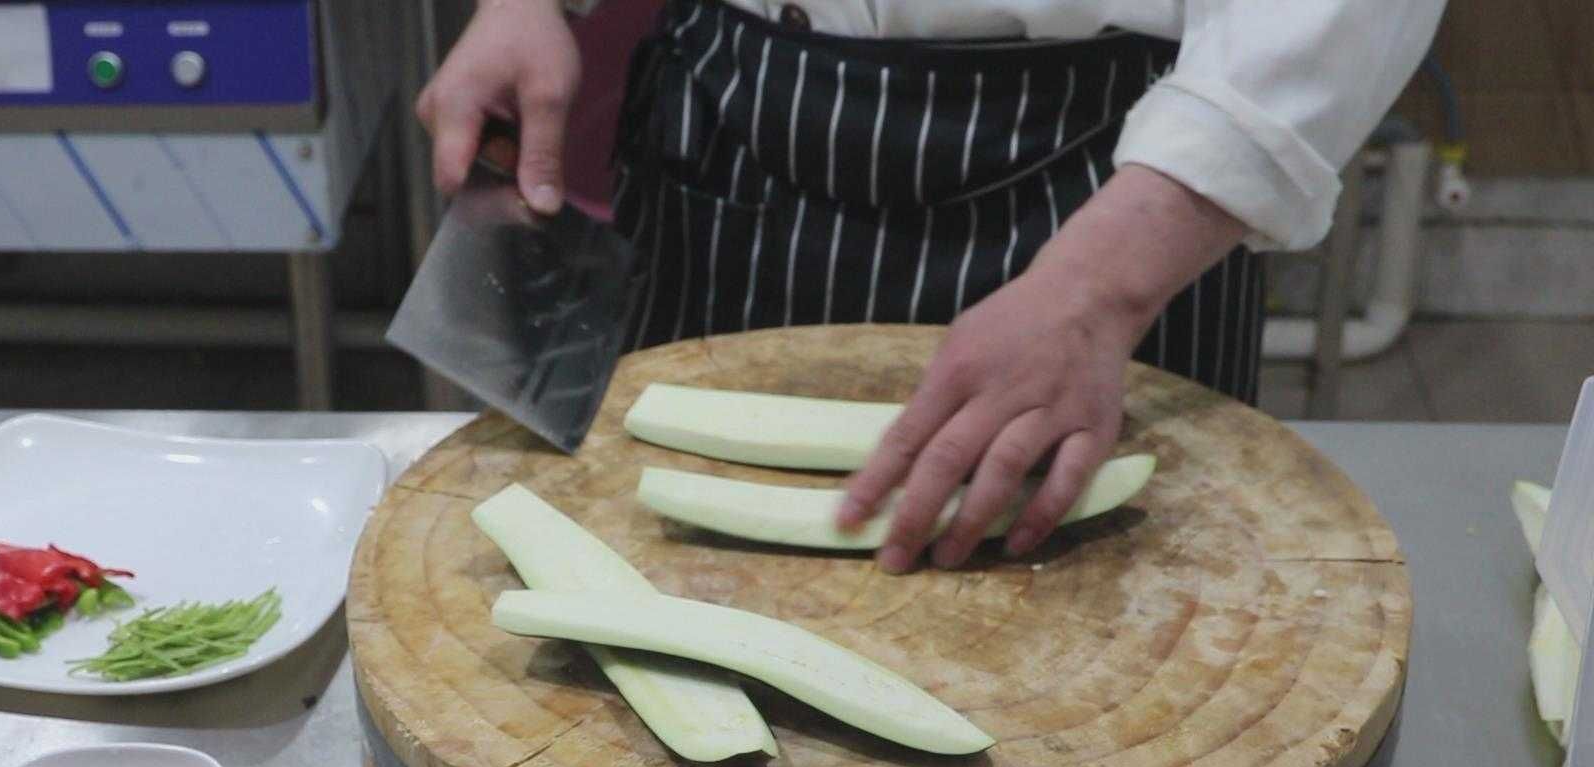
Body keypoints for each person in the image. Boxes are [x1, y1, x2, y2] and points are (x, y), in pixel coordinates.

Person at [417, 0, 1444, 572]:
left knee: (1098, 684)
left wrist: (1099, 290)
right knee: (665, 591)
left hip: (1116, 174)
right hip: (733, 123)